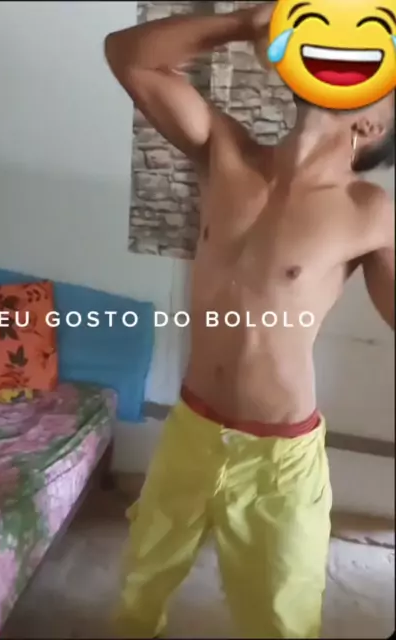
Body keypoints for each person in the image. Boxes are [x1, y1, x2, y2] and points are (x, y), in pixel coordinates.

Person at [104, 3, 395, 638]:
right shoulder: (226, 152)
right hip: (191, 427)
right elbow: (127, 57)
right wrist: (245, 23)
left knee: (283, 618)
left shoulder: (368, 210)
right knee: (141, 581)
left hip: (278, 457)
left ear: (372, 124)